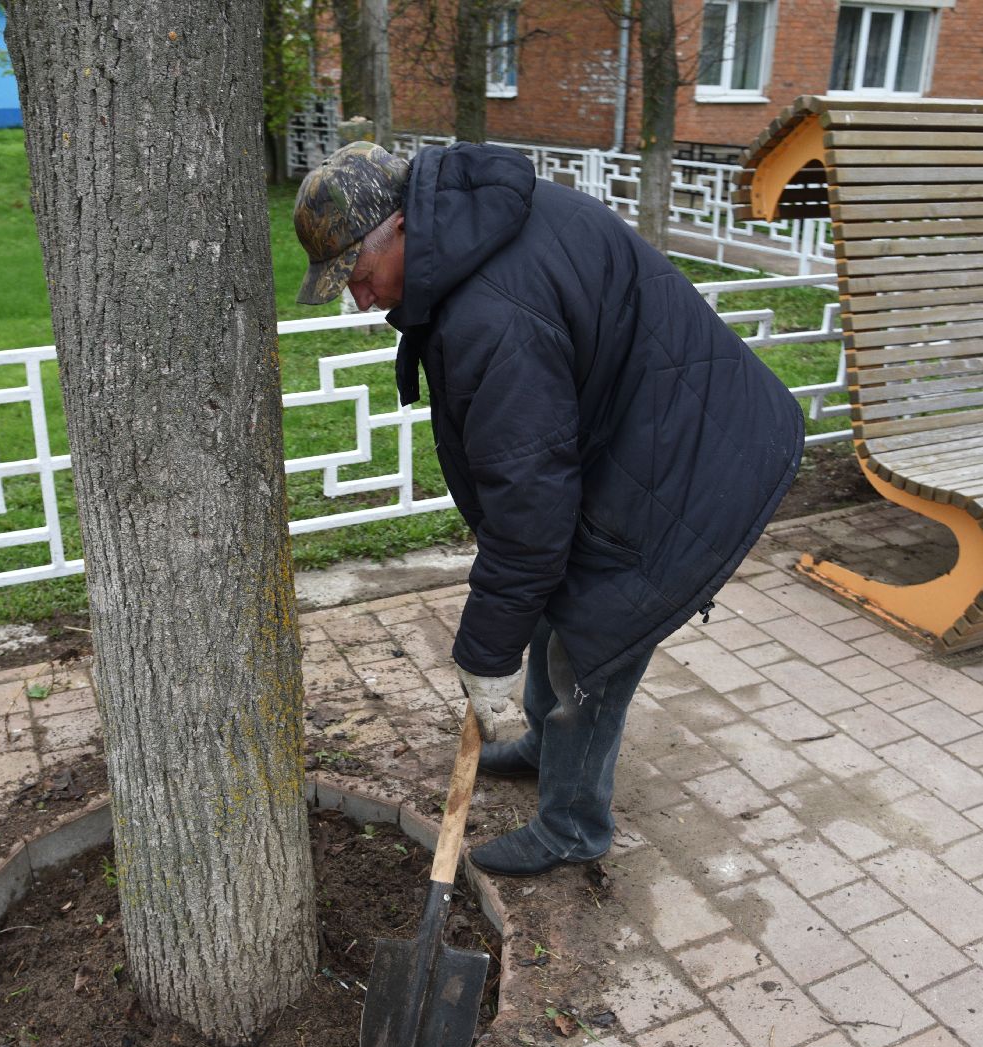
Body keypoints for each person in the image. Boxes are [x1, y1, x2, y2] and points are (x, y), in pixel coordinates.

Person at [292, 142, 803, 877]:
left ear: (401, 227)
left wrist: (484, 656)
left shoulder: (493, 315)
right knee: (549, 601)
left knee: (591, 640)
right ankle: (542, 747)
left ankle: (572, 824)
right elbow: (529, 489)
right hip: (638, 427)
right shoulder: (474, 231)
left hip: (684, 464)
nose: (361, 301)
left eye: (361, 278)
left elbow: (530, 511)